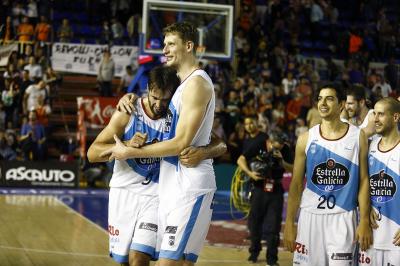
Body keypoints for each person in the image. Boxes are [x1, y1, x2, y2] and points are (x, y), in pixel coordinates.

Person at [101, 21, 219, 266]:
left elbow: (181, 142)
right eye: (164, 44)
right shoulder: (180, 86)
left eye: (171, 44)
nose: (164, 49)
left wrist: (130, 150)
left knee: (169, 263)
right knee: (181, 263)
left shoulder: (197, 83)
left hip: (190, 185)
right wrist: (129, 96)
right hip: (173, 187)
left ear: (189, 46)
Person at [283, 83, 372, 265]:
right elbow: (297, 184)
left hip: (343, 217)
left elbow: (364, 180)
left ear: (341, 105)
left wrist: (364, 219)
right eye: (320, 99)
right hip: (310, 217)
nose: (323, 103)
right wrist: (290, 223)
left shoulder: (358, 137)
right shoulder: (306, 138)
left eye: (329, 99)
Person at [237, 116, 293, 265]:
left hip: (276, 189)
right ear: (269, 141)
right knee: (255, 223)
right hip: (259, 188)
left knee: (274, 226)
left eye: (281, 145)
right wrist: (250, 173)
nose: (278, 147)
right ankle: (254, 252)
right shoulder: (259, 144)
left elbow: (294, 168)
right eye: (276, 144)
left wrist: (282, 161)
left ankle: (272, 259)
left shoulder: (285, 149)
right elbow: (240, 159)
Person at [359, 97, 400, 265]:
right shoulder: (368, 146)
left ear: (396, 117)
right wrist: (365, 210)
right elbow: (360, 183)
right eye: (374, 113)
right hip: (371, 235)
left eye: (381, 114)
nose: (375, 119)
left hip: (396, 239)